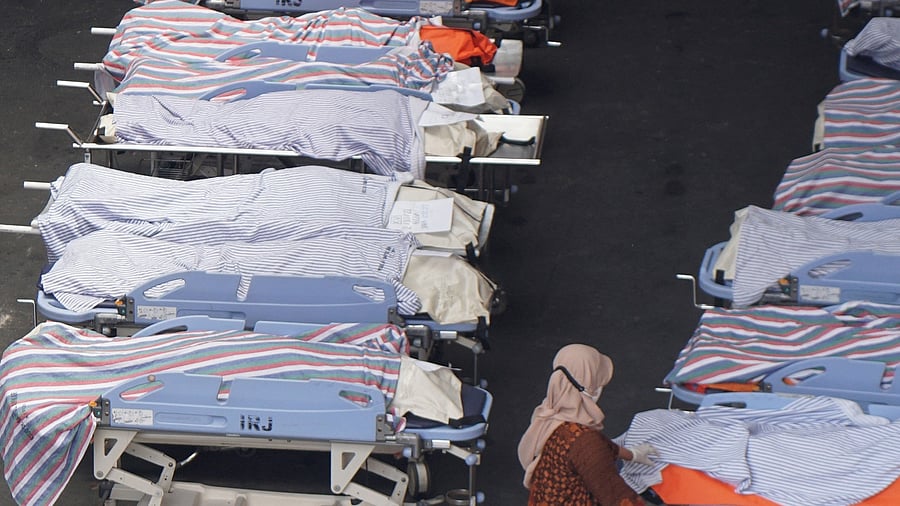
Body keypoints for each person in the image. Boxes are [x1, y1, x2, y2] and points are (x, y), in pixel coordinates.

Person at [517, 344, 658, 506]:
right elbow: (617, 497)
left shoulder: (550, 416)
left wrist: (632, 454)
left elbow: (592, 449)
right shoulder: (585, 441)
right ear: (594, 390)